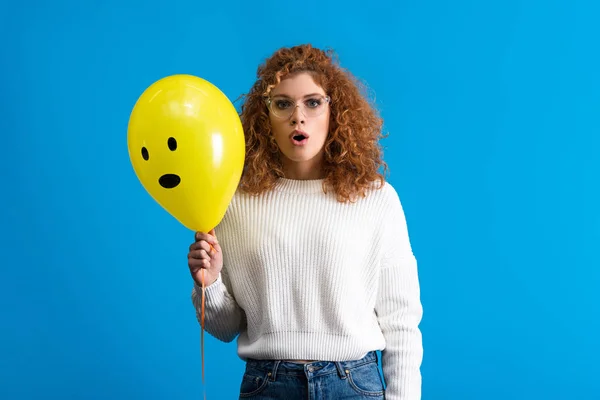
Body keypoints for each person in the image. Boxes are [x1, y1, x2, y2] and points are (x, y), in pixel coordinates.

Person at [189, 44, 423, 400]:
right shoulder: (233, 201)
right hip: (268, 385)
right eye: (282, 103)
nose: (298, 116)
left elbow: (401, 322)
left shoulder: (376, 198)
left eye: (313, 102)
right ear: (264, 116)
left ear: (335, 111)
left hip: (354, 384)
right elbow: (225, 328)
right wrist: (210, 284)